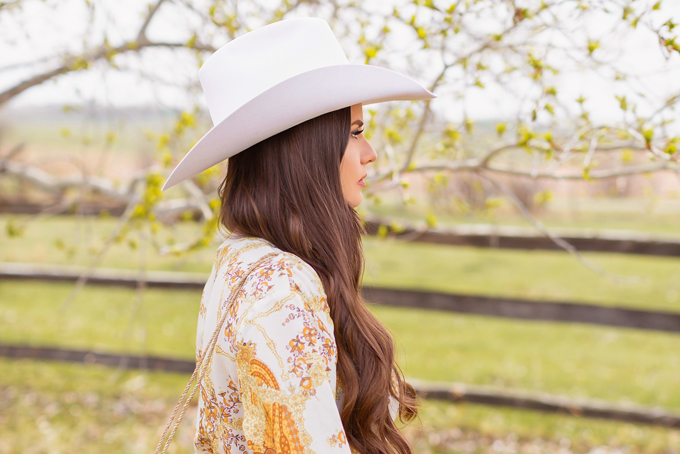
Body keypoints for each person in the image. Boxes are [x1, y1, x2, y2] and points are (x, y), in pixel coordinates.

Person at [161, 17, 435, 454]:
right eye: (355, 131)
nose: (371, 153)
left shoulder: (238, 258)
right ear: (306, 148)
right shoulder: (280, 288)